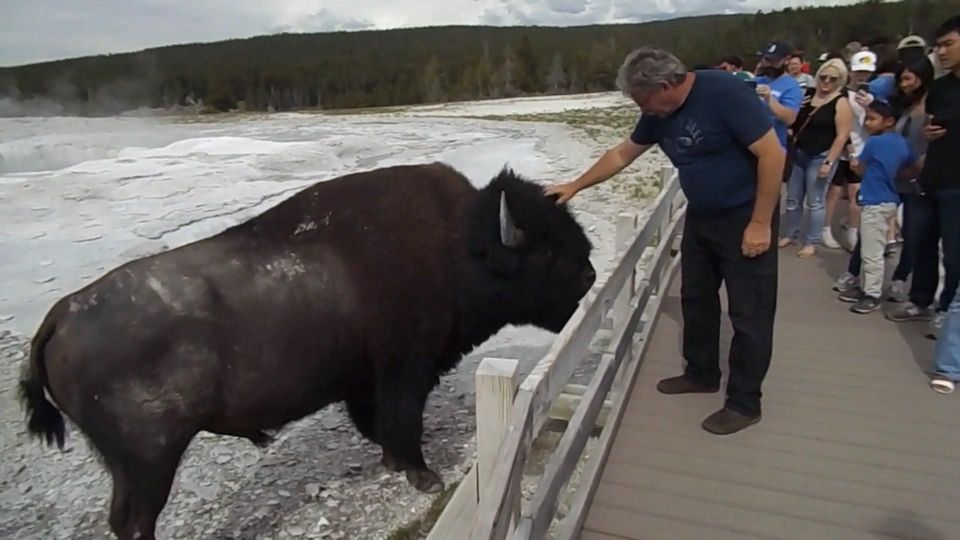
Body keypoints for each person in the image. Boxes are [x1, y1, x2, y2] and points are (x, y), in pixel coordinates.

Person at [544, 47, 784, 435]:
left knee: (749, 313)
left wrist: (760, 222)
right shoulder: (658, 112)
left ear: (667, 84)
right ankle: (701, 372)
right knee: (696, 297)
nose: (646, 110)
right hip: (702, 217)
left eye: (645, 101)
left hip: (745, 216)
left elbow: (772, 155)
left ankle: (744, 403)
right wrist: (575, 185)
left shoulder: (724, 93)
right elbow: (623, 153)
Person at [887, 15, 960, 339]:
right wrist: (929, 133)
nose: (941, 52)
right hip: (932, 175)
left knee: (954, 253)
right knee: (922, 244)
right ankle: (920, 300)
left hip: (958, 182)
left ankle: (947, 309)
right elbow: (933, 122)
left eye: (949, 44)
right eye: (939, 46)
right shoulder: (941, 87)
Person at [846, 100, 919, 314]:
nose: (867, 123)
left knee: (871, 251)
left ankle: (872, 293)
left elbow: (860, 168)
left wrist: (853, 157)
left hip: (874, 200)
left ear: (888, 121)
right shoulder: (903, 143)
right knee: (874, 245)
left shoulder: (875, 143)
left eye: (871, 118)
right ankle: (867, 287)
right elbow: (912, 165)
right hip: (890, 199)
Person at [779, 59, 853, 258]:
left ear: (840, 80)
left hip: (821, 156)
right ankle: (791, 233)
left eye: (832, 78)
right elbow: (795, 121)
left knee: (815, 201)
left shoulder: (841, 102)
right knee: (793, 199)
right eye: (823, 77)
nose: (826, 81)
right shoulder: (809, 95)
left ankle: (811, 241)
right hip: (799, 153)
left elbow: (842, 135)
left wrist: (829, 162)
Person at [887, 58, 935, 302]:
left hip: (919, 177)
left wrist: (917, 167)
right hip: (895, 175)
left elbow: (932, 145)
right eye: (900, 79)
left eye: (908, 78)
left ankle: (900, 279)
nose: (904, 84)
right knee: (877, 225)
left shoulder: (932, 107)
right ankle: (862, 275)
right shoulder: (904, 106)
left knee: (913, 233)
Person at [824, 50, 877, 251]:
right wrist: (850, 150)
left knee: (856, 193)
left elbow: (877, 124)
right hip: (844, 150)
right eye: (858, 72)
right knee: (834, 192)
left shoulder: (873, 96)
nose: (862, 76)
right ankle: (826, 229)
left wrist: (871, 106)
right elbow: (841, 127)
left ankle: (853, 232)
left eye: (866, 72)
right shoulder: (842, 95)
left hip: (864, 149)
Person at [756, 42, 803, 152]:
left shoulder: (792, 86)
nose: (770, 65)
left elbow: (790, 118)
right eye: (767, 60)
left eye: (775, 61)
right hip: (750, 142)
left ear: (786, 60)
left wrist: (770, 99)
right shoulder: (757, 81)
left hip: (774, 146)